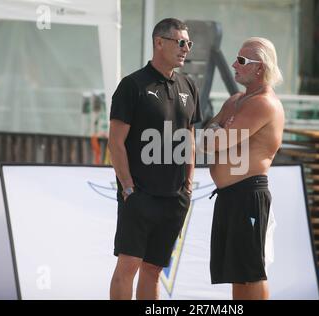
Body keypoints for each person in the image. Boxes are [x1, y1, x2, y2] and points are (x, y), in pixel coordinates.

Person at [108, 18, 202, 300]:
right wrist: (128, 189)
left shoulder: (189, 86)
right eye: (180, 42)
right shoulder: (132, 85)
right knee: (129, 266)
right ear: (159, 43)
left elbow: (190, 139)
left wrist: (188, 184)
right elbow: (115, 142)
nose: (186, 48)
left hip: (174, 197)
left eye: (189, 43)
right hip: (139, 194)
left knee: (153, 270)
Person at [203, 37, 284, 300]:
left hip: (249, 195)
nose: (233, 64)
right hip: (230, 196)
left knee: (252, 272)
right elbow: (207, 137)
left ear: (260, 68)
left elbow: (216, 141)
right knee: (238, 273)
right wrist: (217, 132)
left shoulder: (263, 103)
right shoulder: (236, 100)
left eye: (241, 60)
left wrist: (219, 131)